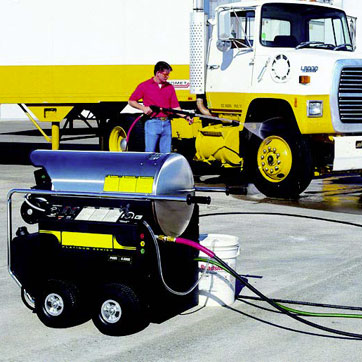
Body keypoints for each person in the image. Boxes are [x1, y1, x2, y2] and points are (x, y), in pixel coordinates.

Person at [128, 61, 192, 153]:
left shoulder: (170, 87)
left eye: (168, 74)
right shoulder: (145, 86)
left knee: (165, 154)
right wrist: (143, 108)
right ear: (158, 73)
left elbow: (175, 107)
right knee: (150, 153)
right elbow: (131, 101)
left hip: (166, 123)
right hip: (152, 123)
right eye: (165, 74)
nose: (167, 77)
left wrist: (185, 116)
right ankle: (148, 167)